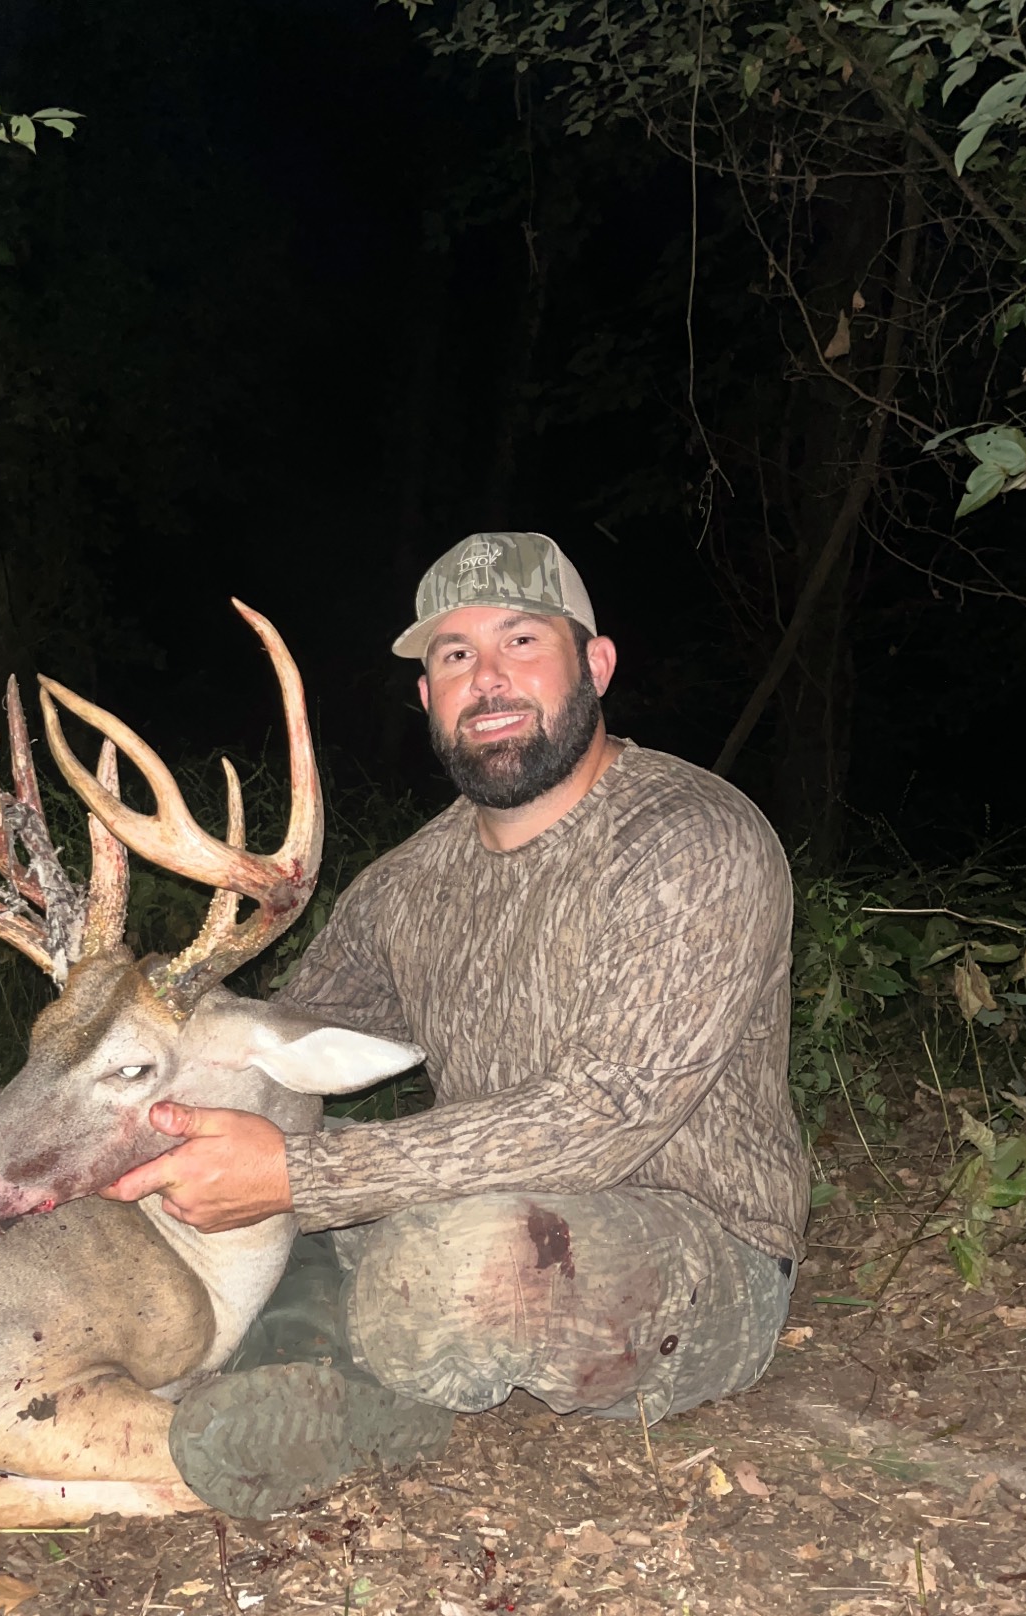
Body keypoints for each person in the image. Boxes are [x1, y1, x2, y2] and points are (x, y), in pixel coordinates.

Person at [102, 531, 809, 1517]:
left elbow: (607, 1115)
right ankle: (311, 1357)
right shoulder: (408, 882)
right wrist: (153, 1045)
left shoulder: (693, 837)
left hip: (695, 1243)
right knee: (227, 1179)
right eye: (455, 656)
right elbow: (299, 1033)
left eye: (523, 641)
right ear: (427, 696)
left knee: (456, 1258)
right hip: (466, 1193)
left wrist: (303, 1176)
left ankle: (363, 1368)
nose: (490, 678)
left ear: (595, 665)